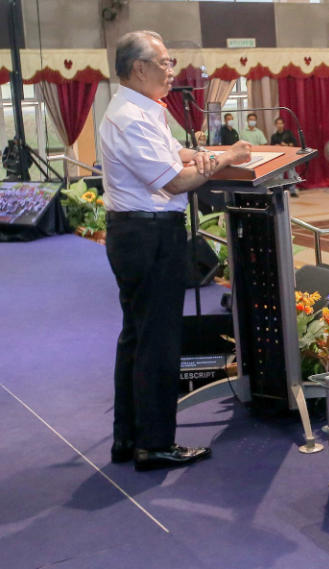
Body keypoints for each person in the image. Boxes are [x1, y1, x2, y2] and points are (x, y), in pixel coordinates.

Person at [100, 30, 252, 471]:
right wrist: (225, 160)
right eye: (165, 63)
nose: (172, 71)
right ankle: (155, 443)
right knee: (158, 342)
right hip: (148, 237)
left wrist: (215, 153)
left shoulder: (142, 110)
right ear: (139, 68)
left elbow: (175, 153)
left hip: (140, 233)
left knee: (137, 337)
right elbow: (175, 180)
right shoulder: (131, 116)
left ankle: (129, 438)